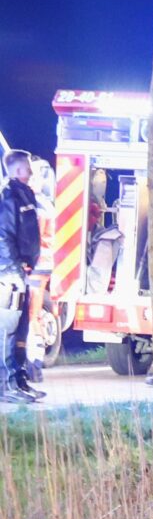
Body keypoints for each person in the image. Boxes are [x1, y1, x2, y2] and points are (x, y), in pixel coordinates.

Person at [2, 147, 43, 403]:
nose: (31, 170)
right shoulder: (8, 196)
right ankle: (6, 385)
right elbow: (4, 235)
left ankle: (19, 380)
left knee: (20, 330)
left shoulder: (24, 193)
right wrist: (13, 269)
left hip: (22, 269)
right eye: (28, 166)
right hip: (10, 273)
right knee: (7, 329)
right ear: (18, 169)